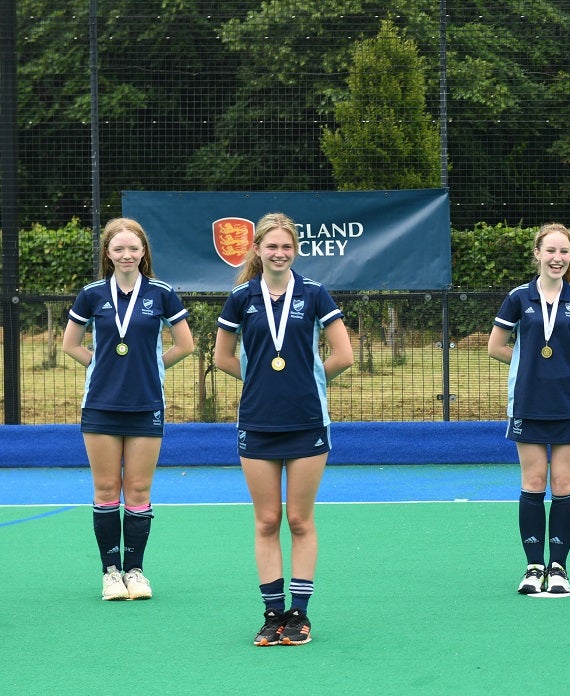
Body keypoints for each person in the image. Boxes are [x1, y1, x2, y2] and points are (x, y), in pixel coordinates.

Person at [213, 212, 353, 646]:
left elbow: (343, 355)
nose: (279, 253)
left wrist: (305, 381)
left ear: (295, 250)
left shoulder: (314, 295)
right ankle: (272, 614)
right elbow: (222, 358)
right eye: (271, 246)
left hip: (307, 422)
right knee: (268, 519)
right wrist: (260, 382)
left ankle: (300, 616)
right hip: (256, 423)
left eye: (286, 246)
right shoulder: (241, 297)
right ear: (257, 250)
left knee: (299, 518)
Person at [62, 218, 194, 601]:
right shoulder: (91, 294)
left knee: (137, 490)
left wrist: (150, 367)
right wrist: (102, 364)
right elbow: (71, 344)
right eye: (118, 249)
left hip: (146, 405)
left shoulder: (162, 293)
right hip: (100, 406)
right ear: (108, 253)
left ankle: (136, 572)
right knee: (106, 489)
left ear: (143, 253)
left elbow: (184, 345)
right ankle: (110, 573)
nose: (126, 255)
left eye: (133, 249)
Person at [488, 223, 570, 597]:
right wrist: (529, 363)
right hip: (528, 403)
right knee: (533, 483)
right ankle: (532, 568)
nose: (557, 258)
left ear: (569, 256)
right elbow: (495, 347)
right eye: (550, 251)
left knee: (563, 484)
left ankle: (558, 569)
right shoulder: (518, 297)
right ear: (537, 254)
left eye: (564, 252)